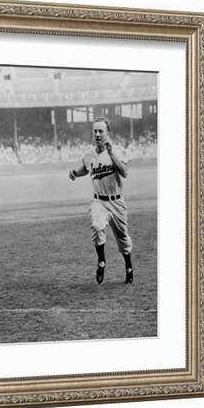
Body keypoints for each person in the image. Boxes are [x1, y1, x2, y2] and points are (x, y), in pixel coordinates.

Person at [68, 117, 134, 285]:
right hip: (99, 202)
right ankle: (102, 261)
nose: (97, 134)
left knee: (123, 238)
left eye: (100, 131)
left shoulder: (117, 151)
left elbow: (125, 172)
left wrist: (111, 154)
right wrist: (75, 173)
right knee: (97, 227)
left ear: (107, 133)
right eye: (95, 131)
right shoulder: (89, 154)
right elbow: (85, 168)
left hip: (117, 202)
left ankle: (128, 265)